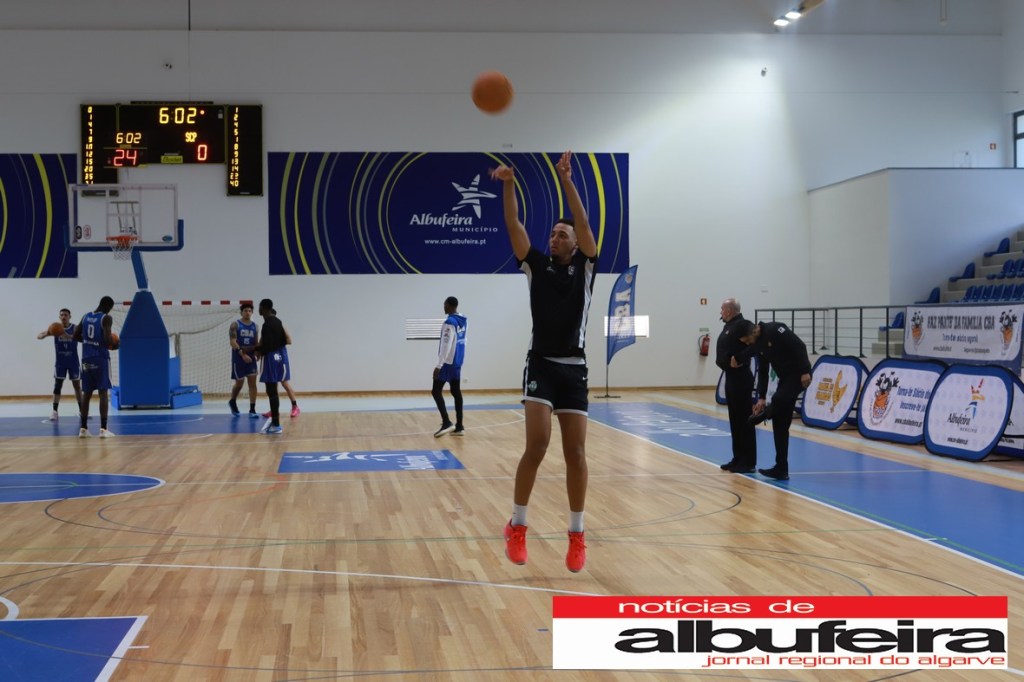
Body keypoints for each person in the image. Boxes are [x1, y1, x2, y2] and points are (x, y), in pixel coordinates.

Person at [491, 150, 597, 573]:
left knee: (576, 453)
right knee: (537, 445)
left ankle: (577, 534)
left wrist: (567, 179)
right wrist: (508, 184)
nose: (554, 238)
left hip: (574, 369)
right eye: (552, 234)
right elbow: (513, 225)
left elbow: (584, 223)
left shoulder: (586, 266)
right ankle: (517, 525)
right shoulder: (536, 265)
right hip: (541, 366)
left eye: (561, 234)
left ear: (575, 242)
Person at [733, 319, 813, 481]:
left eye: (747, 340)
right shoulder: (758, 344)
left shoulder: (775, 329)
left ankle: (763, 416)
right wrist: (761, 397)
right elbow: (763, 371)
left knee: (778, 398)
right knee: (780, 424)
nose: (748, 344)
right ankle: (781, 468)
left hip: (799, 375)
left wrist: (805, 370)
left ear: (753, 332)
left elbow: (799, 346)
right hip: (785, 378)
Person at [715, 298, 756, 473]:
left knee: (744, 419)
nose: (720, 312)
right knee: (735, 420)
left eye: (722, 309)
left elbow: (756, 344)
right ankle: (738, 458)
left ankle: (748, 462)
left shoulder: (743, 325)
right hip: (731, 377)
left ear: (729, 310)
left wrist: (739, 358)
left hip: (741, 377)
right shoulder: (729, 326)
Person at [74, 295, 116, 438]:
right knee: (103, 392)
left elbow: (75, 336)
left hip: (86, 358)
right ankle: (103, 429)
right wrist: (115, 344)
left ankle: (83, 429)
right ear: (108, 307)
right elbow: (107, 340)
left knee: (87, 394)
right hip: (100, 358)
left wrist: (88, 342)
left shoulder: (85, 316)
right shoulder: (106, 318)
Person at [37, 307, 83, 421]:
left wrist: (69, 336)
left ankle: (82, 410)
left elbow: (83, 339)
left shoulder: (75, 328)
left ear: (70, 316)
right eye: (61, 315)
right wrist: (47, 333)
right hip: (60, 362)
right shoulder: (56, 328)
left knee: (77, 386)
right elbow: (39, 336)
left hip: (73, 361)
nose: (63, 317)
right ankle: (54, 411)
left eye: (66, 315)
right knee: (57, 386)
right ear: (59, 317)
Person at [431, 296, 467, 437]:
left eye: (445, 305)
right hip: (457, 361)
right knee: (456, 392)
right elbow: (464, 340)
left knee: (436, 391)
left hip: (447, 363)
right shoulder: (463, 320)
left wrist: (439, 365)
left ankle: (446, 422)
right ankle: (460, 427)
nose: (444, 307)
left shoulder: (449, 322)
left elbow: (446, 345)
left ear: (451, 306)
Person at [253, 299, 287, 435]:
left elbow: (267, 346)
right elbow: (284, 340)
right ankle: (275, 422)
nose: (259, 310)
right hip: (279, 357)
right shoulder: (278, 321)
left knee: (271, 391)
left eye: (259, 307)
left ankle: (276, 424)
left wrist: (256, 349)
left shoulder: (267, 324)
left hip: (271, 359)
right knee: (273, 391)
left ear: (263, 308)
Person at [261, 312, 300, 418]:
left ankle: (295, 407)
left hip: (280, 357)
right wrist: (258, 352)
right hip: (269, 358)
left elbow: (289, 340)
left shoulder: (281, 327)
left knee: (284, 382)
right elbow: (261, 342)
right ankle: (274, 410)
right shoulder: (266, 328)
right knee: (272, 386)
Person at [228, 302, 260, 418]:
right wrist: (242, 354)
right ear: (241, 312)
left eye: (249, 311)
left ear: (252, 312)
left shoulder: (255, 326)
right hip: (239, 358)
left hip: (250, 359)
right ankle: (232, 401)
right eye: (245, 310)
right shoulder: (235, 325)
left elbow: (256, 342)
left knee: (253, 384)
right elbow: (232, 341)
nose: (247, 312)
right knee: (239, 384)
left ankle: (252, 409)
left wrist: (257, 352)